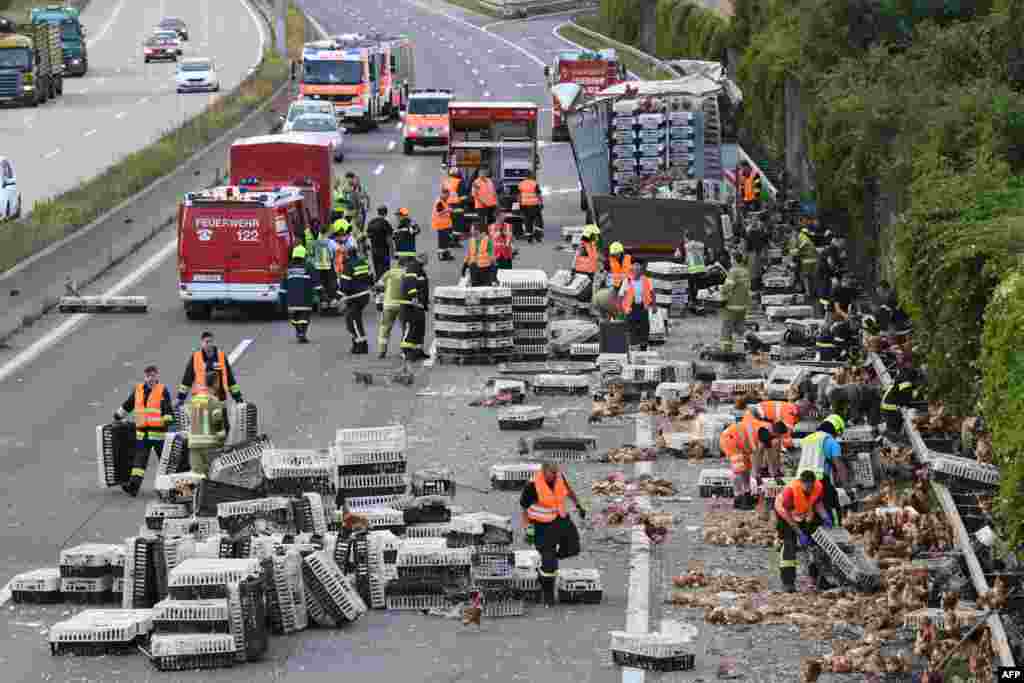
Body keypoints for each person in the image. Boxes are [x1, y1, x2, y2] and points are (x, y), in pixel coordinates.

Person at [520, 462, 587, 607]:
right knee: (549, 564)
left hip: (560, 520)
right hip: (542, 526)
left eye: (556, 472)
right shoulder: (532, 485)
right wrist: (528, 529)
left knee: (573, 548)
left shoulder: (559, 477)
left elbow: (568, 491)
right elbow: (524, 508)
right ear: (543, 471)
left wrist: (579, 505)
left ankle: (548, 560)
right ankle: (548, 594)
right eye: (552, 473)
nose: (555, 475)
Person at [114, 365, 174, 496]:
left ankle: (172, 487)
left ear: (157, 376)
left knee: (165, 461)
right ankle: (133, 486)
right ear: (145, 377)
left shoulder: (162, 390)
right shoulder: (139, 390)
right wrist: (118, 415)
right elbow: (128, 404)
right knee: (139, 462)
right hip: (143, 433)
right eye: (148, 376)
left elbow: (168, 408)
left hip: (158, 433)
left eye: (153, 375)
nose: (151, 379)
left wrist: (167, 420)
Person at [774, 470, 830, 592]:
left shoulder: (817, 487)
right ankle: (788, 583)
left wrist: (825, 516)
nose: (809, 490)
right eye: (807, 487)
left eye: (811, 486)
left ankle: (817, 579)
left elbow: (817, 503)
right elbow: (788, 515)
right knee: (789, 545)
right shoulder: (790, 491)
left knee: (814, 545)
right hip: (784, 515)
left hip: (801, 513)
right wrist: (800, 533)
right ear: (801, 482)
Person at [720, 414, 790, 510]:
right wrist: (758, 473)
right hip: (731, 440)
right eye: (780, 435)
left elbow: (770, 456)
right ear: (777, 432)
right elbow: (759, 455)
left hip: (740, 445)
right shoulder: (764, 432)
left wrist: (774, 474)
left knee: (746, 470)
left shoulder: (768, 433)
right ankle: (739, 498)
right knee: (740, 470)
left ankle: (746, 496)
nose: (779, 438)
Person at [798, 414, 850, 526]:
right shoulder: (830, 441)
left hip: (800, 482)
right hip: (819, 481)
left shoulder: (808, 439)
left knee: (811, 512)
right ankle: (836, 532)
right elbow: (839, 466)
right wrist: (847, 488)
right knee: (834, 509)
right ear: (837, 429)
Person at [177, 331, 242, 408]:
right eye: (207, 342)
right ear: (202, 343)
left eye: (211, 341)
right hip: (200, 399)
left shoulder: (221, 356)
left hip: (219, 398)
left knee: (221, 418)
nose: (209, 344)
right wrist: (180, 398)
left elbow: (230, 379)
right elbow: (187, 380)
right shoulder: (195, 357)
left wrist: (238, 398)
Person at [186, 370, 228, 477]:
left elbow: (189, 420)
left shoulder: (193, 401)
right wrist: (223, 442)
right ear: (215, 383)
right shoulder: (213, 401)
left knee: (197, 476)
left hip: (194, 443)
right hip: (210, 445)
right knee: (212, 476)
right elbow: (217, 423)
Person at [281, 245, 320, 343]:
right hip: (305, 297)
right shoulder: (309, 266)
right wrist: (322, 295)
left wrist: (282, 298)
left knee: (295, 317)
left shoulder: (288, 267)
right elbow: (316, 281)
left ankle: (299, 331)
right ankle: (302, 333)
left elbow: (284, 284)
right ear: (304, 255)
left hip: (292, 298)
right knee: (305, 316)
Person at [340, 244, 372, 354]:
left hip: (355, 297)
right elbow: (370, 278)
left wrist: (338, 297)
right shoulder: (363, 263)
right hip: (364, 296)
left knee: (352, 320)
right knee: (355, 319)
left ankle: (361, 345)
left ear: (348, 254)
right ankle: (358, 343)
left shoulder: (348, 265)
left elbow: (345, 285)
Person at [619, 259, 655, 351]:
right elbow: (621, 295)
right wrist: (620, 308)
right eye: (634, 269)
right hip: (631, 308)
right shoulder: (627, 281)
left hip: (643, 306)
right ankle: (633, 347)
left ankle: (643, 346)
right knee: (631, 327)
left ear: (641, 270)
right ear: (632, 270)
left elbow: (652, 293)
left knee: (644, 327)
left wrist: (654, 305)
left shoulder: (646, 280)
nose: (636, 272)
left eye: (638, 270)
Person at [719, 251, 751, 353]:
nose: (730, 261)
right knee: (740, 326)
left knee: (727, 327)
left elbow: (728, 286)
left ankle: (726, 350)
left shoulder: (733, 271)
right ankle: (753, 339)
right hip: (743, 304)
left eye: (731, 259)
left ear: (734, 260)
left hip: (732, 304)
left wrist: (720, 289)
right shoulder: (745, 271)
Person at [399, 256, 429, 362]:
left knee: (419, 328)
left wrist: (424, 303)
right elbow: (410, 283)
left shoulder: (419, 269)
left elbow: (423, 287)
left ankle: (418, 351)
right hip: (410, 304)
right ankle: (406, 351)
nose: (427, 260)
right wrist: (414, 297)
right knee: (410, 328)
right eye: (425, 258)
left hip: (419, 305)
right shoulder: (413, 267)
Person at [376, 259, 407, 359]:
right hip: (402, 305)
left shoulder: (388, 273)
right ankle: (404, 351)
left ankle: (382, 351)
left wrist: (379, 302)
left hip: (388, 305)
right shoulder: (406, 273)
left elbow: (379, 288)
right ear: (405, 265)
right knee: (405, 329)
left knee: (384, 328)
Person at [880, 366, 922, 435]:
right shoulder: (907, 386)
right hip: (890, 409)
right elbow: (905, 402)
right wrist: (915, 393)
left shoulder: (902, 380)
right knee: (909, 413)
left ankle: (893, 429)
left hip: (886, 406)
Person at [310, 225, 338, 307]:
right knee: (331, 284)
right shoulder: (330, 242)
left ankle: (324, 302)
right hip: (328, 266)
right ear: (327, 232)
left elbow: (312, 254)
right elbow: (336, 251)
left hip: (318, 267)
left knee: (321, 285)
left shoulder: (315, 242)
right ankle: (332, 301)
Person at [794, 226, 819, 307]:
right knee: (811, 277)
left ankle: (809, 294)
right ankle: (813, 293)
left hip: (808, 260)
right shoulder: (805, 236)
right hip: (812, 259)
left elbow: (800, 248)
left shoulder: (801, 237)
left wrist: (795, 253)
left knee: (806, 276)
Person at [366, 206, 393, 279]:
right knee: (385, 270)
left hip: (374, 251)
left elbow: (368, 236)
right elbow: (389, 239)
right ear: (386, 213)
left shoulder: (371, 222)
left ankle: (378, 285)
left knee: (377, 270)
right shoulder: (385, 223)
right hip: (384, 252)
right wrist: (392, 252)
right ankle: (384, 287)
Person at [517, 172, 543, 242]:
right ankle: (538, 236)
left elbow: (519, 196)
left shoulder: (521, 184)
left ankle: (529, 237)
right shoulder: (534, 183)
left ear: (525, 176)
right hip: (534, 205)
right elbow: (538, 194)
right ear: (531, 176)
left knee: (528, 221)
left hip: (524, 205)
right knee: (538, 220)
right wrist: (541, 202)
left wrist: (519, 204)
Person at [744, 215, 767, 291]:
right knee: (753, 270)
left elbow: (763, 240)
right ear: (751, 221)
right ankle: (754, 286)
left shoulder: (759, 229)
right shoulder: (748, 230)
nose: (755, 221)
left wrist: (763, 250)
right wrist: (746, 253)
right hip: (751, 252)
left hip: (758, 251)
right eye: (753, 220)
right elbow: (746, 242)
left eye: (756, 220)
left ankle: (759, 285)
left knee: (758, 269)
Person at [432, 188, 455, 262]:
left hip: (445, 225)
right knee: (442, 241)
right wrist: (448, 210)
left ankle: (446, 254)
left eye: (448, 195)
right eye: (447, 195)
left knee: (446, 241)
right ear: (443, 194)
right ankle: (441, 256)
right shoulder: (439, 202)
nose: (448, 197)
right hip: (441, 225)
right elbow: (439, 212)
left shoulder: (444, 201)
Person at [445, 168, 468, 237]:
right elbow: (463, 196)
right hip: (458, 205)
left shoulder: (446, 181)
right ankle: (455, 240)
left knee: (450, 222)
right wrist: (465, 204)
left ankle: (450, 239)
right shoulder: (459, 182)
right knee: (457, 223)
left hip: (448, 204)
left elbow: (444, 193)